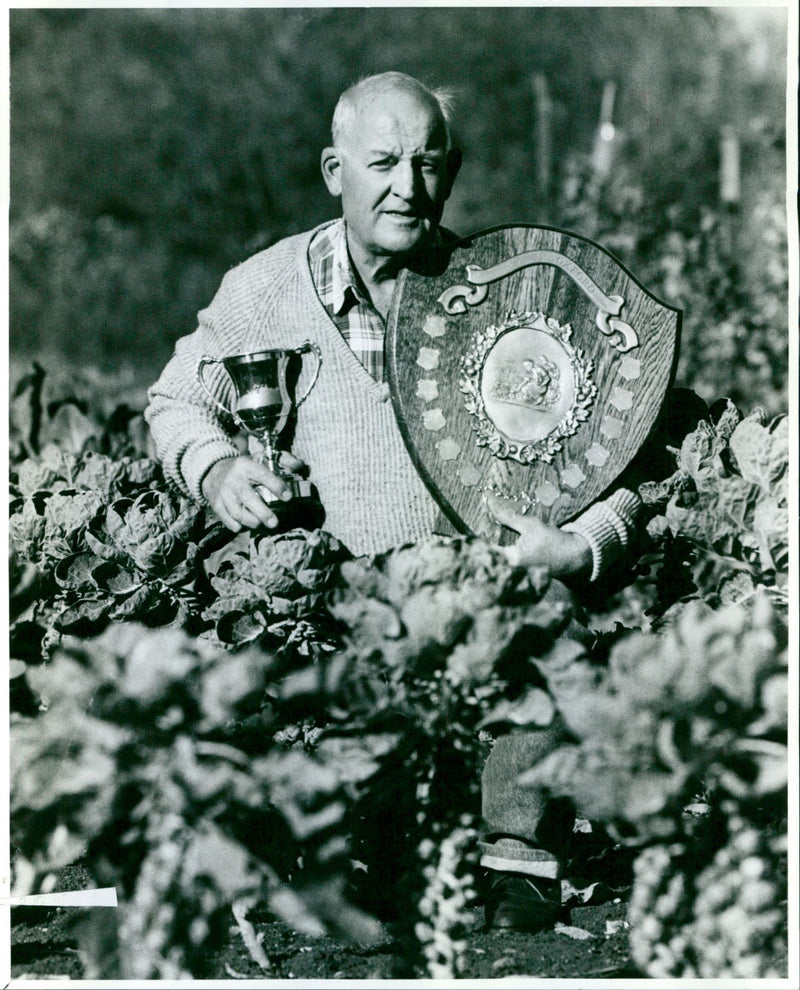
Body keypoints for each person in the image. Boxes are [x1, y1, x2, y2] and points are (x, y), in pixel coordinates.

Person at [146, 71, 644, 933]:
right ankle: (353, 835)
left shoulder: (509, 291)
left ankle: (516, 845)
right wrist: (220, 471)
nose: (406, 189)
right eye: (382, 163)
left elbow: (640, 445)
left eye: (427, 163)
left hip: (479, 608)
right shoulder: (263, 290)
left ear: (450, 175)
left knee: (551, 628)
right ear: (335, 171)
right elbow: (174, 402)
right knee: (262, 659)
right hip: (338, 607)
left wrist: (586, 543)